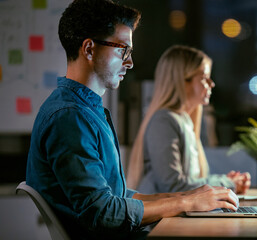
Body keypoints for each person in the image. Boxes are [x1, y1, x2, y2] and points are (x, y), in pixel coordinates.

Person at [25, 1, 239, 239]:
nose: (130, 62)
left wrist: (188, 197)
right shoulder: (70, 117)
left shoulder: (86, 110)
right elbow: (101, 212)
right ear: (89, 49)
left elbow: (117, 196)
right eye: (122, 50)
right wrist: (187, 203)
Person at [127, 45, 251, 194]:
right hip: (161, 217)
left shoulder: (184, 121)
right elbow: (173, 186)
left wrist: (224, 181)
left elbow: (188, 182)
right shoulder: (164, 121)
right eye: (204, 78)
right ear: (182, 81)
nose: (212, 84)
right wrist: (226, 183)